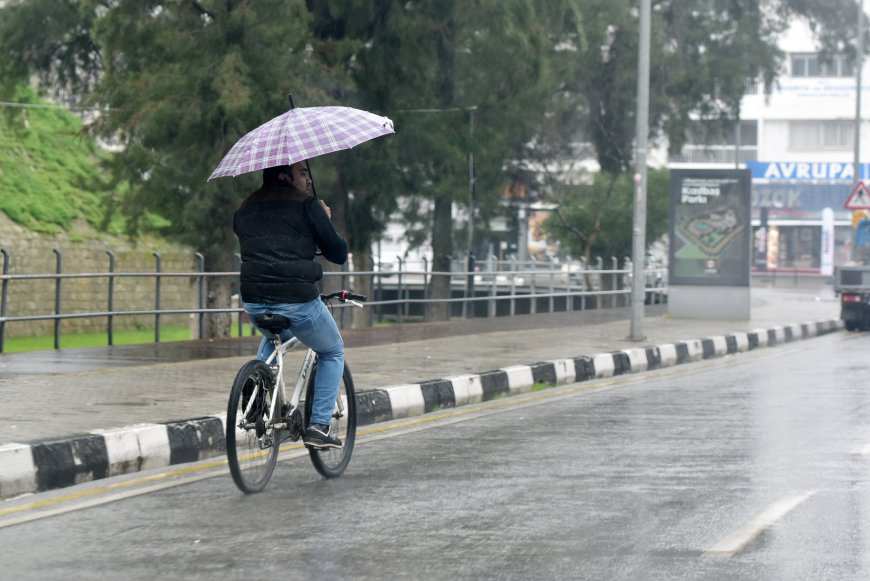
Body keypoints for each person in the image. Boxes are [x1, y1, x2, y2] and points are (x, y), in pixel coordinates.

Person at [233, 161, 348, 448]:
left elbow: (271, 241)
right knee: (333, 350)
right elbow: (337, 252)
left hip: (254, 302)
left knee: (275, 339)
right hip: (297, 300)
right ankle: (319, 426)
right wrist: (322, 219)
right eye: (303, 173)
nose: (308, 180)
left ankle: (258, 397)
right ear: (284, 176)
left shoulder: (244, 209)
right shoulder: (307, 205)